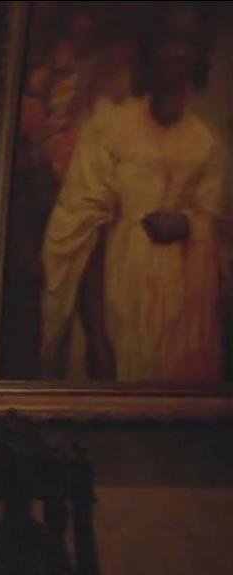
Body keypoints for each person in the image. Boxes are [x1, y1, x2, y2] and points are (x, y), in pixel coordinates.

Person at [40, 5, 228, 382]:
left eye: (189, 41)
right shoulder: (109, 129)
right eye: (168, 40)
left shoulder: (208, 144)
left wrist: (189, 226)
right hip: (118, 306)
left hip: (187, 321)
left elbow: (222, 232)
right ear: (148, 48)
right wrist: (97, 339)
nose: (179, 52)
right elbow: (82, 236)